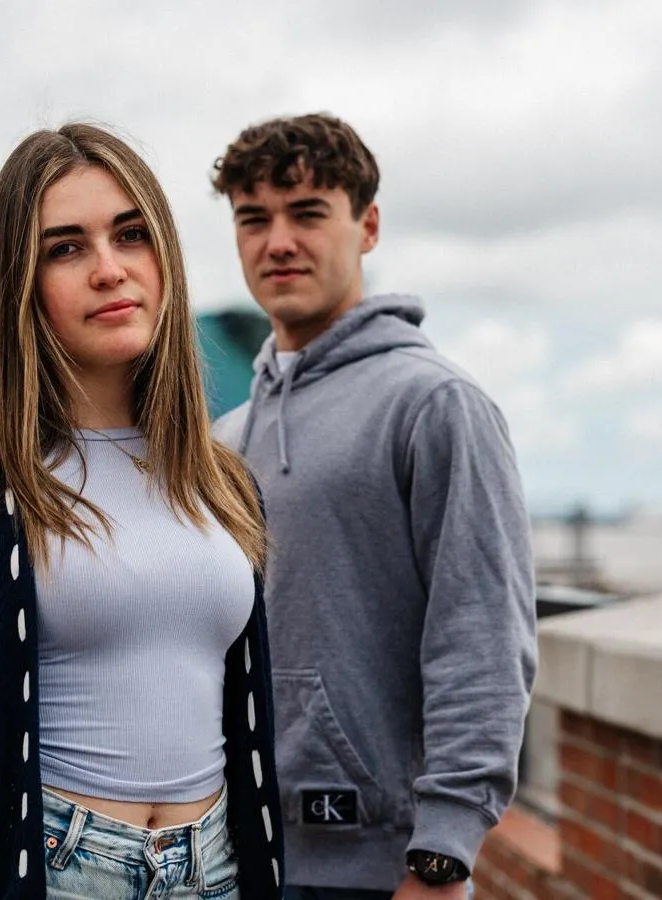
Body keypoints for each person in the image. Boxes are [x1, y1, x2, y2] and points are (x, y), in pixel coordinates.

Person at [0, 123, 286, 899]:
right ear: (21, 282)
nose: (110, 270)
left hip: (216, 871)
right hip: (52, 869)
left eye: (131, 235)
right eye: (66, 248)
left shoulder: (224, 485)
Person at [210, 113, 536, 899]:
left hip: (379, 870)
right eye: (254, 220)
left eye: (308, 213)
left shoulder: (436, 405)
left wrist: (444, 854)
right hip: (234, 855)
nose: (277, 241)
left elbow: (482, 637)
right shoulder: (225, 436)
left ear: (368, 226)